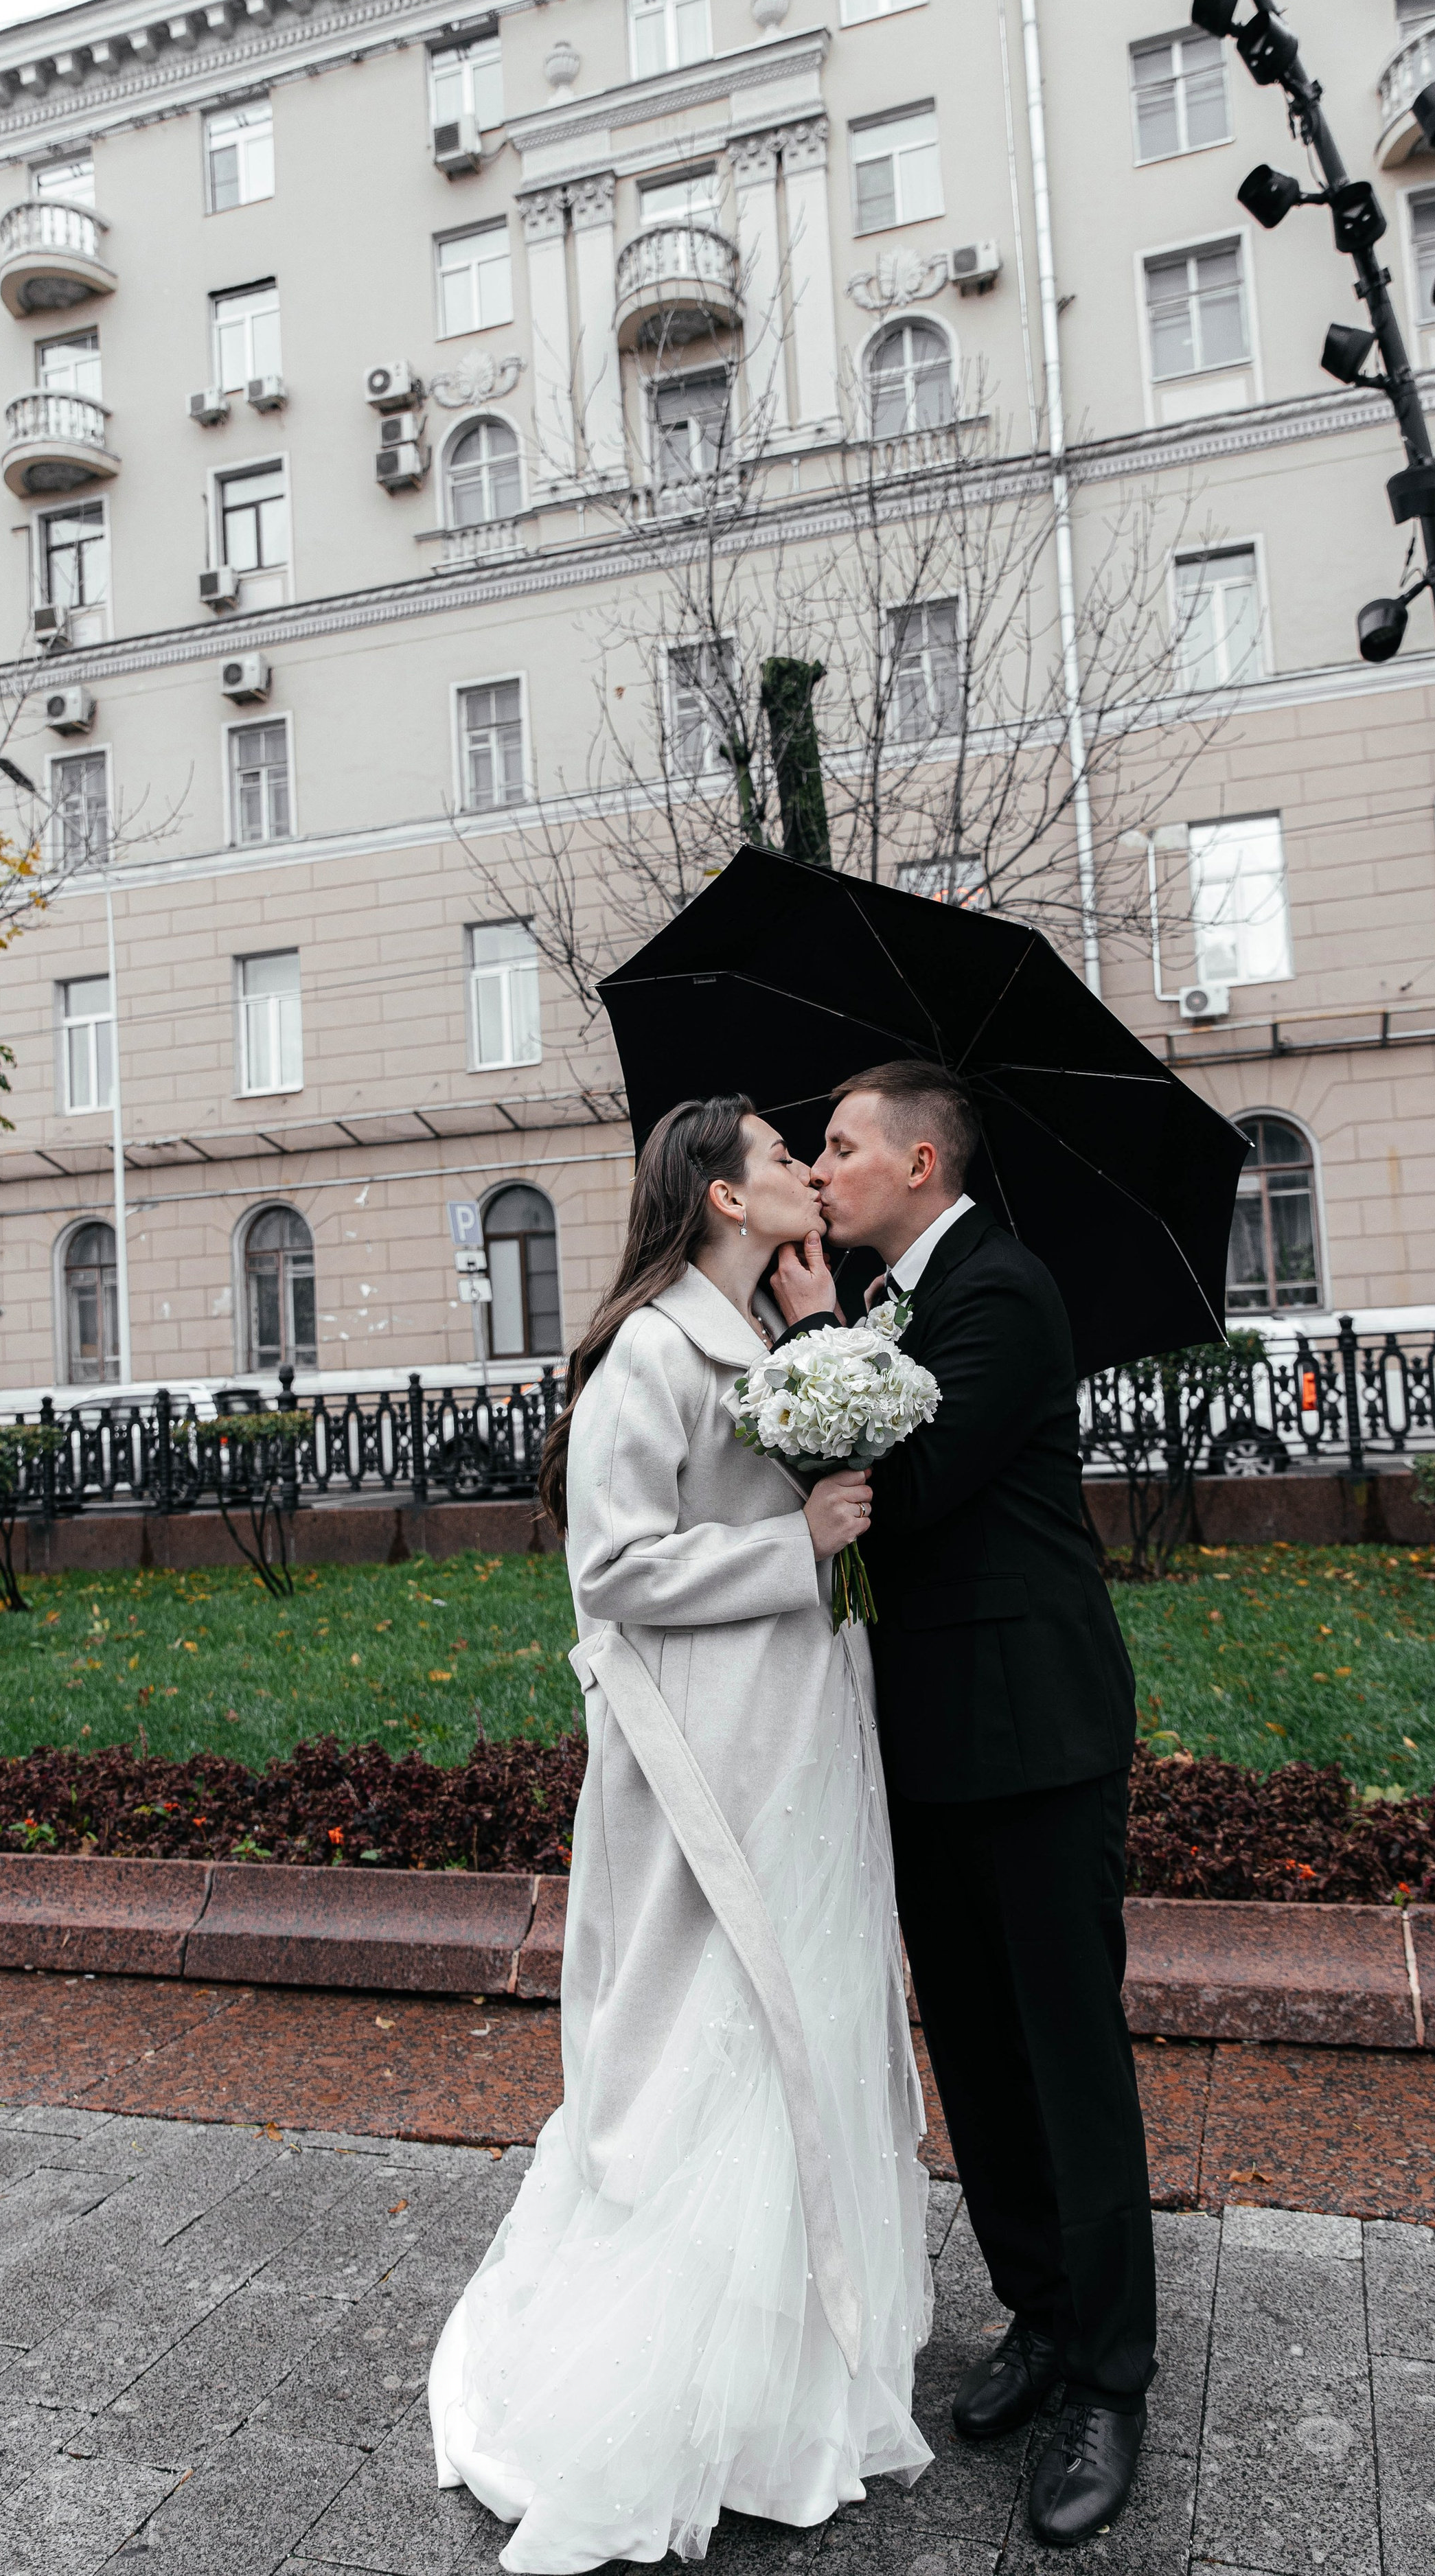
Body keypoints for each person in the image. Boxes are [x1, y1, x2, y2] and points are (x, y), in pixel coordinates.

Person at [428, 1094, 933, 2573]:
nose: (803, 1175)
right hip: (703, 1762)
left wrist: (823, 1334)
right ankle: (662, 2384)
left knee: (803, 2016)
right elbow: (617, 1567)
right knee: (717, 2030)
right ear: (720, 1196)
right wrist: (798, 1544)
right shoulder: (651, 1351)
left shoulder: (763, 1340)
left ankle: (787, 2378)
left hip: (796, 1738)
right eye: (783, 1158)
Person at [772, 1058, 1154, 2550]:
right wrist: (822, 1330)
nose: (819, 1167)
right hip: (923, 1743)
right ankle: (1040, 2322)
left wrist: (813, 1331)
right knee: (981, 2065)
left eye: (840, 1144)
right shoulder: (883, 1312)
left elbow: (909, 1491)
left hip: (1039, 1738)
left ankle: (1108, 2383)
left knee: (1066, 2063)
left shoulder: (1001, 1292)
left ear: (920, 1165)